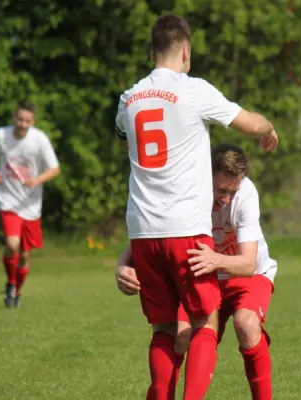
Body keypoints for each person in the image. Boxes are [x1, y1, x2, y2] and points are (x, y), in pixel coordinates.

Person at [114, 14, 278, 400]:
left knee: (165, 330)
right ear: (185, 50)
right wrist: (268, 127)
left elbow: (125, 137)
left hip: (143, 232)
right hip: (185, 227)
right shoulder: (193, 90)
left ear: (151, 51)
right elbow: (249, 125)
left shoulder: (128, 100)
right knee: (205, 320)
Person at [116, 144, 277, 399]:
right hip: (203, 275)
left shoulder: (246, 194)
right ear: (204, 177)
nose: (225, 199)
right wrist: (123, 264)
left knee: (246, 325)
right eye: (220, 190)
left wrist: (215, 259)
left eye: (231, 192)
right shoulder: (188, 191)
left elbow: (247, 264)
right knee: (179, 335)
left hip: (246, 276)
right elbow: (157, 230)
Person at [0, 101, 60, 308]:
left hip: (31, 205)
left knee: (25, 255)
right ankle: (10, 282)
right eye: (20, 119)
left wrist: (36, 180)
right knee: (12, 244)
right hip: (8, 200)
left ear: (33, 121)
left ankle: (16, 293)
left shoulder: (39, 140)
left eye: (27, 121)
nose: (23, 124)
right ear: (13, 118)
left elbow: (54, 169)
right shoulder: (1, 136)